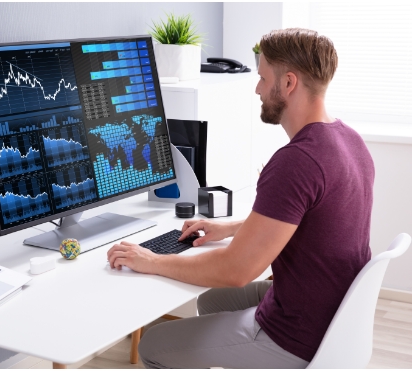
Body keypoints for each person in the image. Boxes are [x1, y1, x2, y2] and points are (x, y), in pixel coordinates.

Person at [107, 28, 374, 368]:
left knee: (155, 345)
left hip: (296, 335)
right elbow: (309, 220)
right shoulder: (349, 140)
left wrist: (151, 261)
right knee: (214, 300)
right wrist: (230, 227)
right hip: (332, 315)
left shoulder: (296, 161)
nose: (258, 88)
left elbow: (237, 270)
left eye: (263, 78)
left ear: (289, 83)